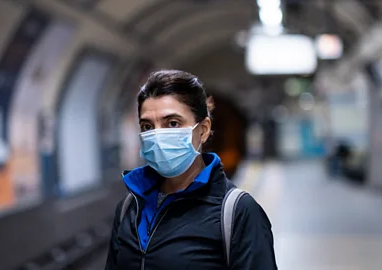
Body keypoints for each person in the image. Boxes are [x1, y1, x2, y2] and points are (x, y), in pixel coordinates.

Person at [105, 70, 277, 270]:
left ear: (203, 130)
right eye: (147, 126)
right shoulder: (130, 207)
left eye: (172, 123)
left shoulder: (237, 212)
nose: (158, 136)